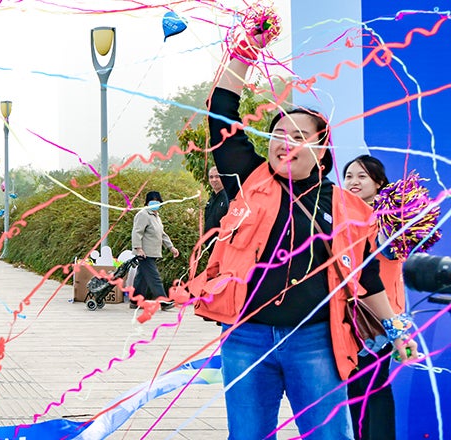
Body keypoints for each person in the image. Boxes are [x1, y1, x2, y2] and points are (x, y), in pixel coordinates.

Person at [175, 17, 421, 439]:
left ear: (321, 149)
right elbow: (220, 113)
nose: (284, 141)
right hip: (246, 337)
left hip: (315, 341)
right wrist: (246, 51)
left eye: (298, 135)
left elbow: (368, 279)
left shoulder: (347, 208)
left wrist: (397, 330)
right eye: (277, 133)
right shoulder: (248, 178)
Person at [343, 154, 400, 440]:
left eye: (362, 176)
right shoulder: (341, 216)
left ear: (379, 183)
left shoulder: (390, 218)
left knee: (373, 387)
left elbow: (389, 250)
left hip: (378, 318)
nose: (354, 181)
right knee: (355, 389)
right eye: (349, 176)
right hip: (346, 315)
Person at [130, 190, 179, 311]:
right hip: (144, 253)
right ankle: (163, 301)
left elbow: (162, 234)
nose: (155, 203)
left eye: (157, 201)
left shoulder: (156, 216)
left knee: (142, 277)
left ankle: (135, 300)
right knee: (154, 277)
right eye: (152, 201)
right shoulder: (143, 214)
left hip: (153, 252)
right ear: (147, 202)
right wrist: (138, 249)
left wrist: (171, 247)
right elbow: (137, 232)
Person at [203, 166, 230, 235]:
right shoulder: (211, 199)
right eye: (211, 177)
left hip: (222, 239)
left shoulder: (229, 198)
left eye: (217, 176)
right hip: (208, 240)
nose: (214, 180)